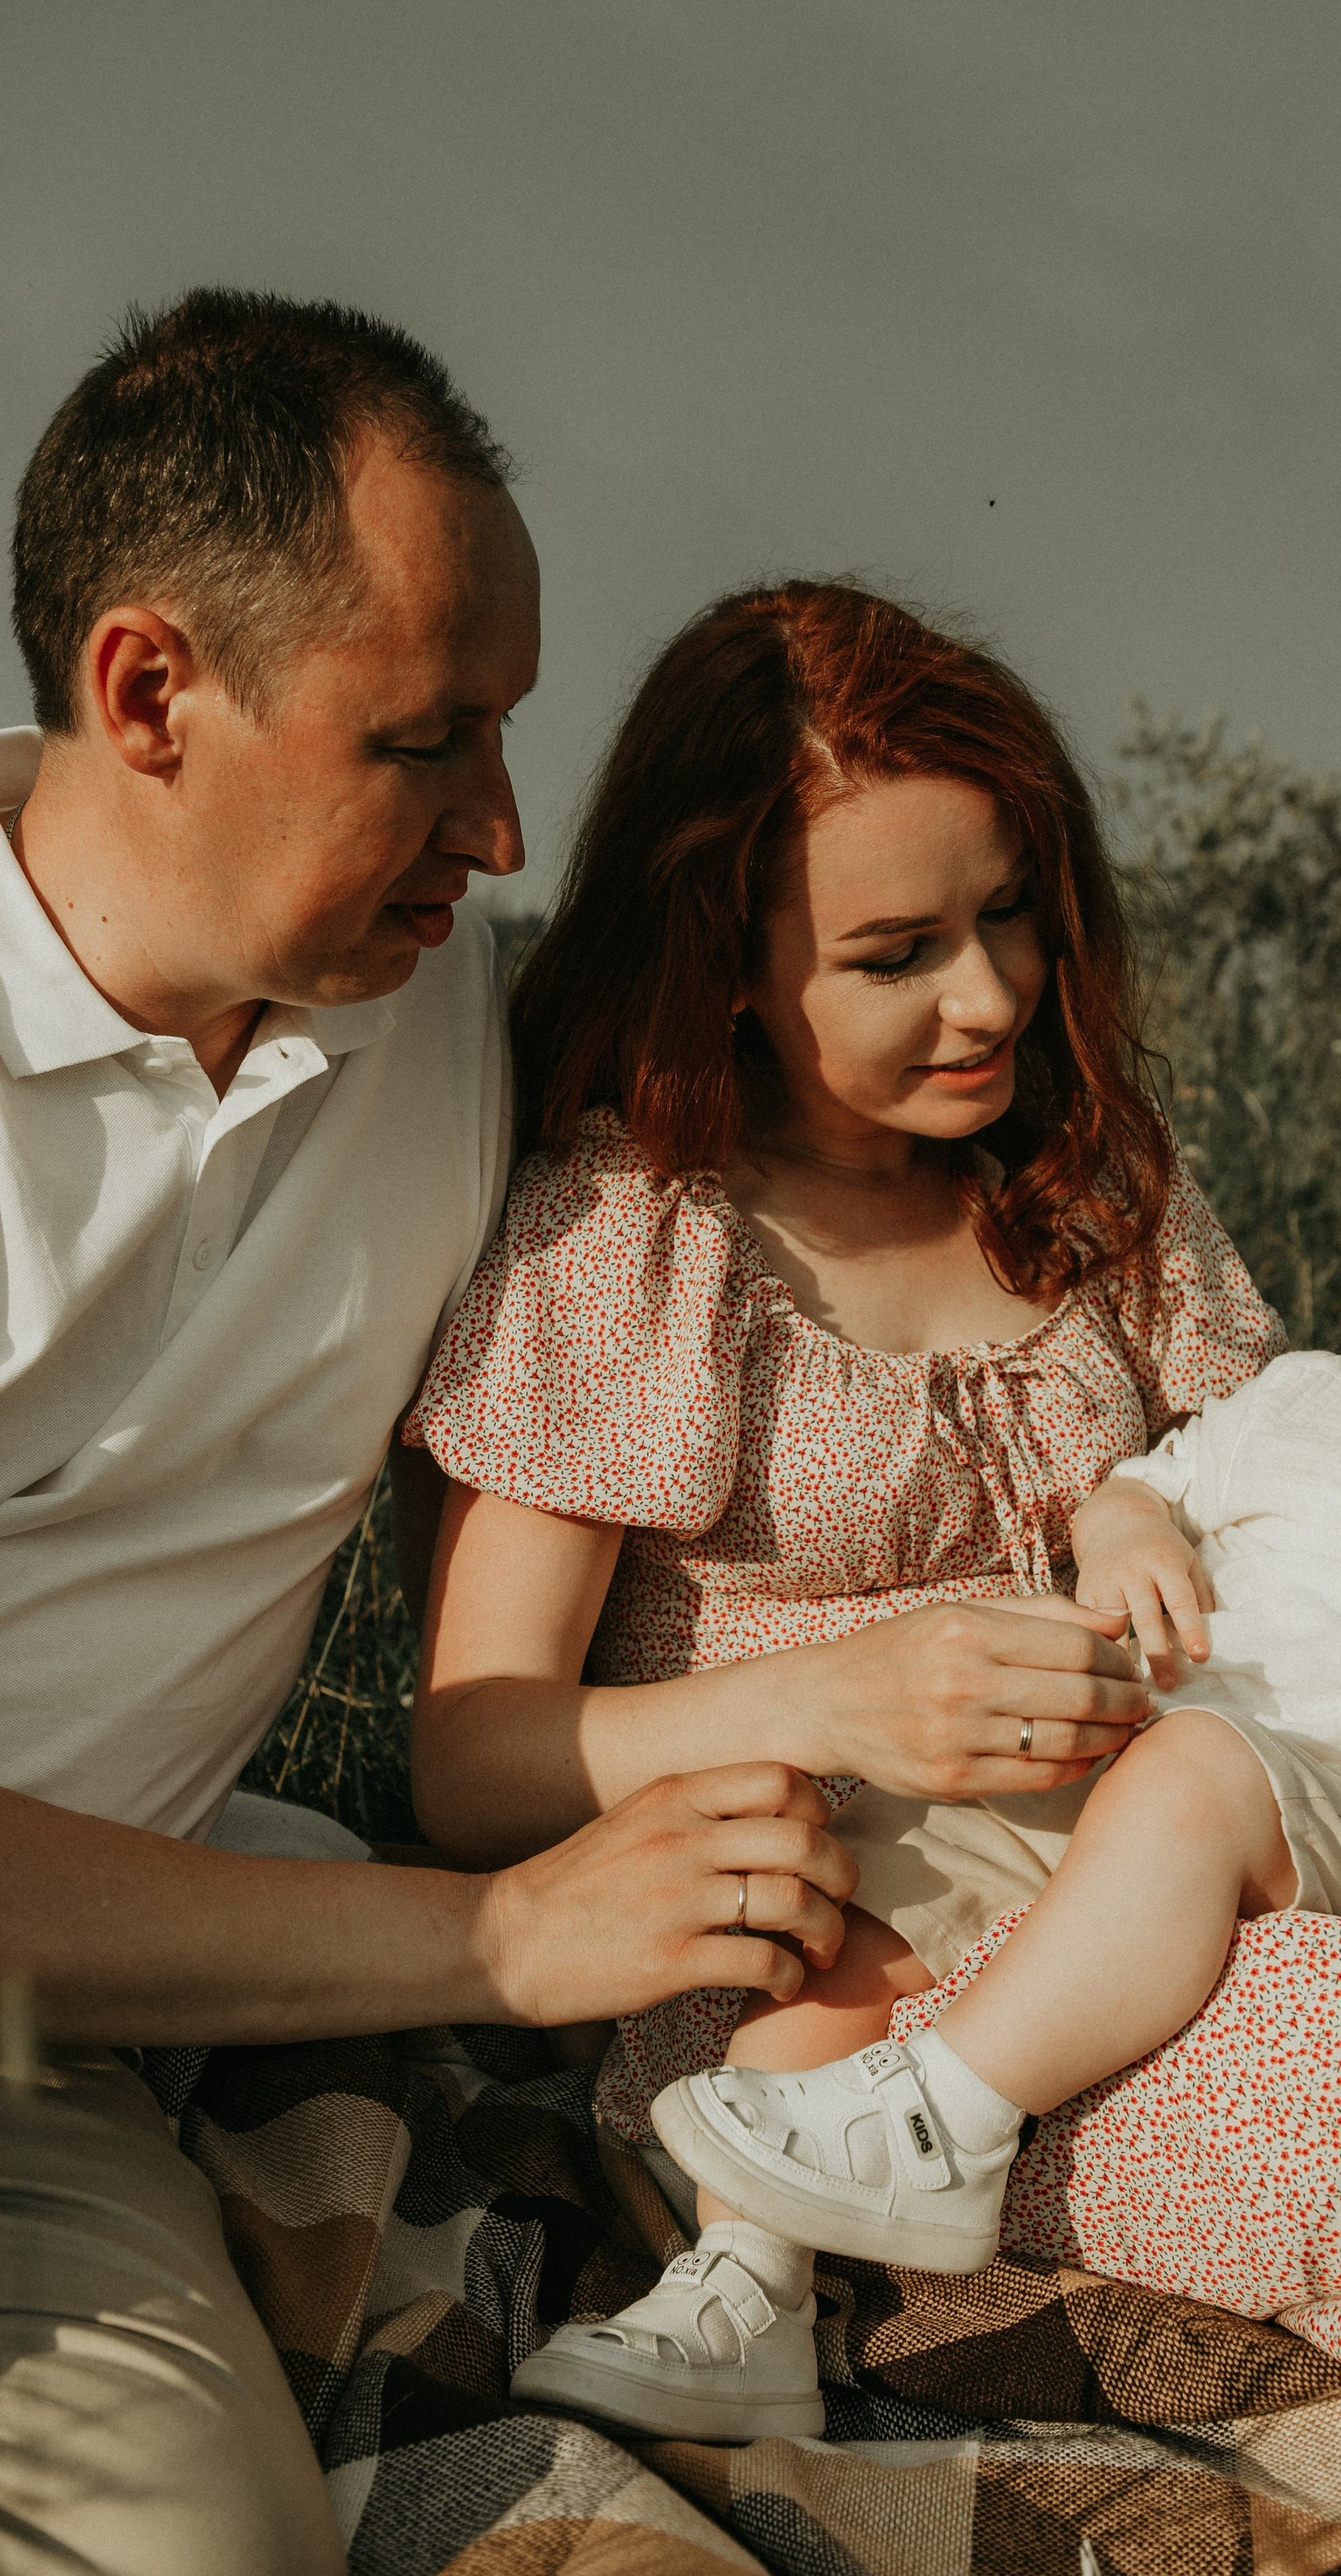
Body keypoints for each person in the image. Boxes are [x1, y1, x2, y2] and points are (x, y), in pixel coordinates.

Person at [404, 584, 1341, 2453]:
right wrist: (828, 1699)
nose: (989, 994)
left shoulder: (1086, 1191)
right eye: (897, 951)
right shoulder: (637, 1242)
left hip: (1207, 1885)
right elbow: (471, 1759)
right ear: (722, 956)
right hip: (842, 1987)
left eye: (1009, 916)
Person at [0, 293, 866, 2576]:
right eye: (426, 739)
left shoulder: (449, 1004)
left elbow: (893, 1148)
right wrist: (489, 1942)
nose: (495, 820)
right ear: (148, 691)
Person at [652, 1050, 1341, 2306]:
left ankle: (946, 2120)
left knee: (1200, 1773)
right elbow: (1154, 1481)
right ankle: (736, 2291)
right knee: (868, 1894)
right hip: (1133, 1778)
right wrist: (1127, 1532)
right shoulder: (1295, 1406)